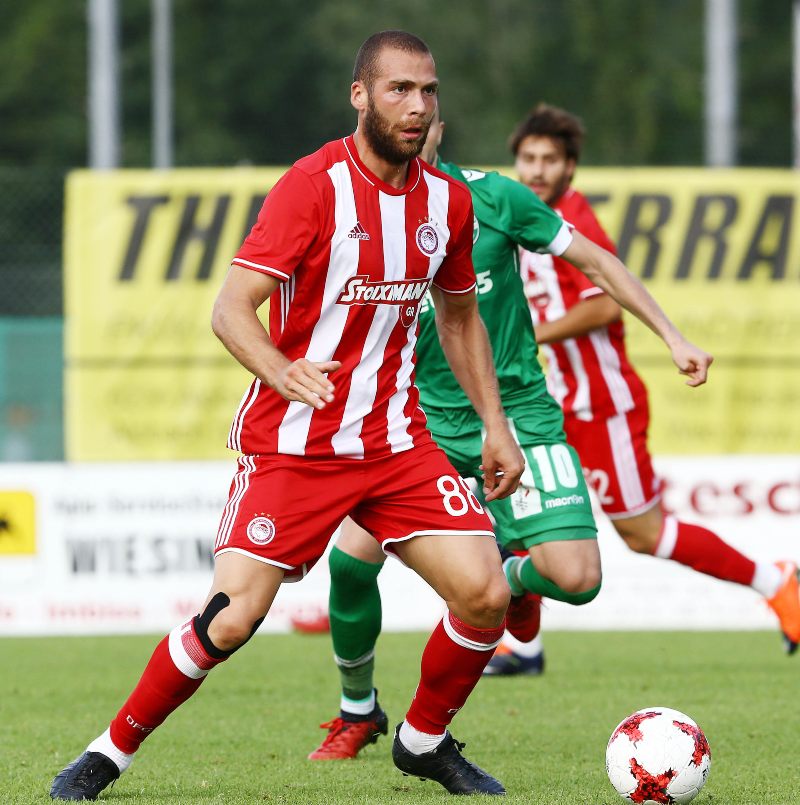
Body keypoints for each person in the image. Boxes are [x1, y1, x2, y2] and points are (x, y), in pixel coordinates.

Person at [50, 31, 528, 800]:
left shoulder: (449, 202)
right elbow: (231, 308)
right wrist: (282, 369)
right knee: (231, 618)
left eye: (429, 91)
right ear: (360, 96)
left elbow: (460, 316)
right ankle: (108, 753)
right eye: (400, 89)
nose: (417, 106)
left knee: (485, 593)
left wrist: (495, 424)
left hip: (395, 443)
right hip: (294, 446)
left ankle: (422, 741)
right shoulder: (312, 187)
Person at [306, 106, 712, 760]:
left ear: (440, 131)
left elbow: (597, 263)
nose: (414, 128)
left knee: (578, 578)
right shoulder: (357, 209)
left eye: (427, 117)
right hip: (416, 421)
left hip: (519, 410)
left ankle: (513, 575)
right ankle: (358, 710)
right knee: (350, 563)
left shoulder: (496, 197)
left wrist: (673, 335)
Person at [487, 102, 800, 675]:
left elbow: (606, 305)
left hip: (600, 404)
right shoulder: (517, 216)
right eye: (528, 158)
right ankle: (522, 647)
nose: (536, 170)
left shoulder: (574, 219)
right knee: (525, 521)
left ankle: (775, 581)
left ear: (570, 167)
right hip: (546, 406)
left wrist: (527, 334)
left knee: (643, 532)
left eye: (549, 160)